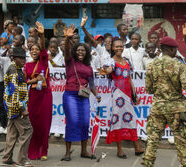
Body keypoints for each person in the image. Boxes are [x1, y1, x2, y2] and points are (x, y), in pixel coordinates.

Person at [142, 37, 186, 167]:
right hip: (176, 109)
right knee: (181, 141)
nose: (176, 51)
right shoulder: (179, 65)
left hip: (158, 107)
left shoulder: (151, 65)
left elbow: (149, 89)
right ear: (171, 49)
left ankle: (147, 163)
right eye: (175, 49)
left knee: (152, 140)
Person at [99, 38, 144, 159]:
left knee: (132, 119)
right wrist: (106, 71)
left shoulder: (127, 61)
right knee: (117, 120)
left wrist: (134, 95)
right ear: (112, 48)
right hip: (118, 95)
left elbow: (129, 79)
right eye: (116, 47)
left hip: (128, 95)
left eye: (121, 46)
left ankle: (137, 148)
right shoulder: (111, 61)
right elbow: (109, 69)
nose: (119, 48)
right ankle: (119, 150)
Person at [62, 25, 101, 161]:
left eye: (83, 50)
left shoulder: (89, 67)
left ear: (86, 53)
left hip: (83, 97)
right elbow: (66, 50)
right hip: (70, 95)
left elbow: (91, 84)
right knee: (72, 122)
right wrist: (67, 38)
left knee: (85, 123)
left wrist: (97, 95)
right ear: (75, 51)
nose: (80, 52)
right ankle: (68, 152)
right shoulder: (69, 61)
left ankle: (84, 151)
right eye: (78, 50)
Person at [23, 22, 52, 161]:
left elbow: (43, 47)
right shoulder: (27, 65)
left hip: (45, 96)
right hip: (33, 96)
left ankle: (43, 150)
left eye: (37, 49)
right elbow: (23, 82)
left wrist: (41, 34)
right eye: (32, 49)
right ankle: (32, 151)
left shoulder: (44, 61)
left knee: (44, 124)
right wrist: (32, 81)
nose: (34, 51)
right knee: (33, 124)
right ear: (29, 51)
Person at [1, 47, 33, 167]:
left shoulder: (15, 69)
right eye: (21, 58)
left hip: (11, 107)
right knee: (27, 130)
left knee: (12, 133)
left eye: (24, 58)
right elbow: (14, 92)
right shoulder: (14, 71)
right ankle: (22, 160)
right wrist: (22, 108)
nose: (23, 60)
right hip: (16, 108)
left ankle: (7, 158)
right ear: (14, 58)